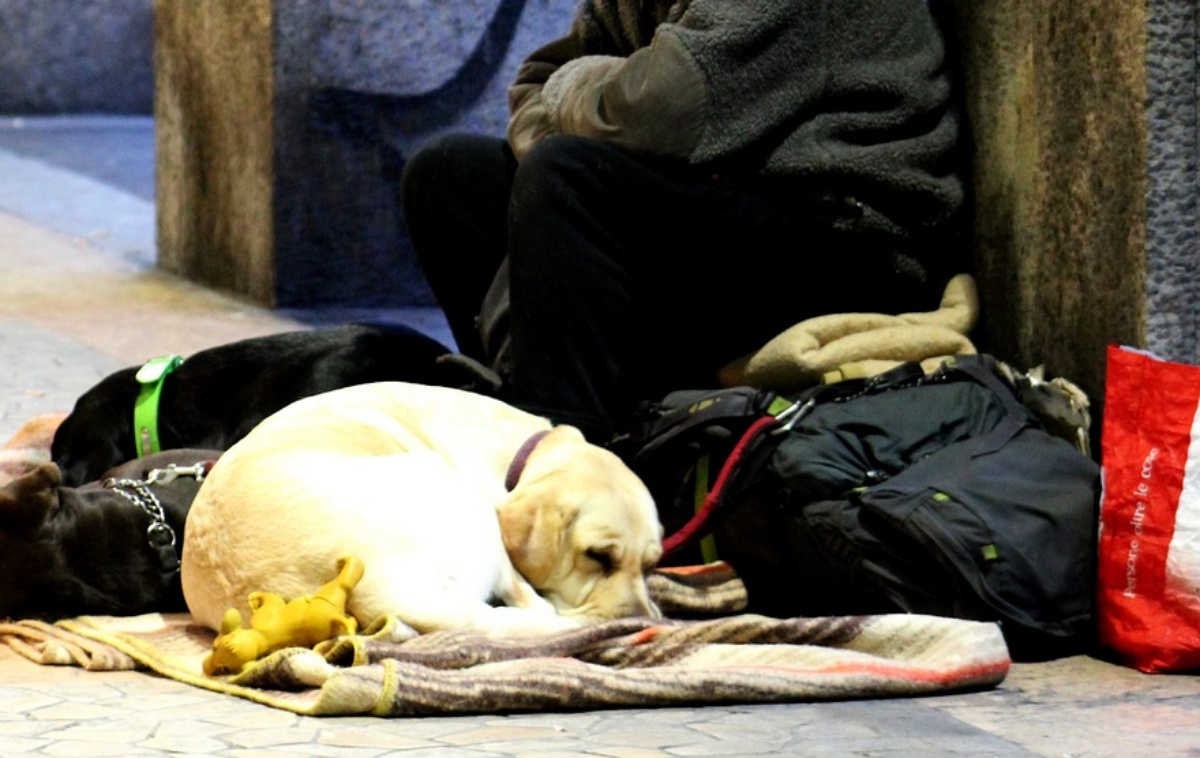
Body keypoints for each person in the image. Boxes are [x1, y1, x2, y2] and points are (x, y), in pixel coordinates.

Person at [400, 0, 969, 444]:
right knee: (450, 175)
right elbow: (540, 80)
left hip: (843, 244)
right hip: (727, 208)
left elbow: (655, 113)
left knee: (567, 177)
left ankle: (570, 462)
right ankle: (520, 410)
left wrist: (592, 101)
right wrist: (598, 103)